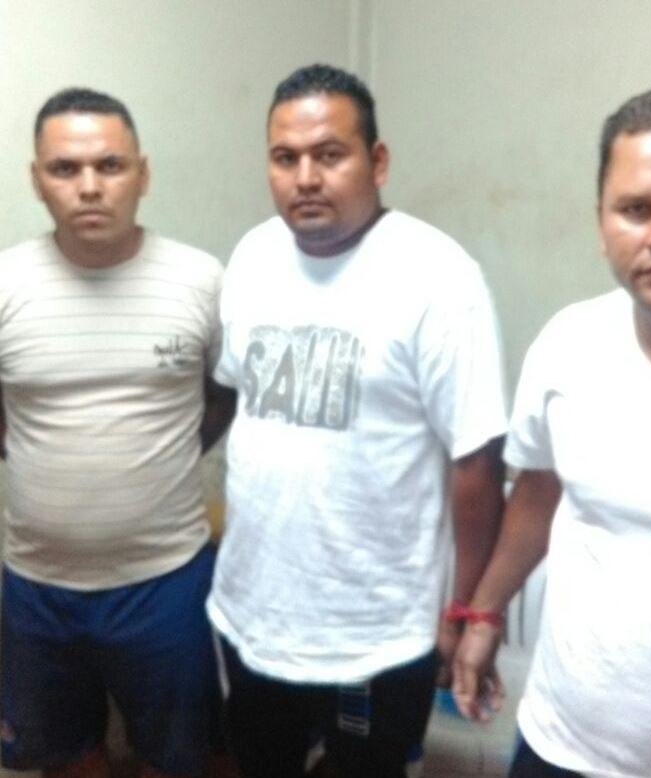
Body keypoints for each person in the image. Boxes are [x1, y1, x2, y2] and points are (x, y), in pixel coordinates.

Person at [453, 80, 651, 778]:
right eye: (636, 209)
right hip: (559, 747)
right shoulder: (569, 344)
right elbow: (539, 493)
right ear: (602, 224)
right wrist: (484, 614)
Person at [207, 63, 507, 778]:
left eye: (329, 154)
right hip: (253, 611)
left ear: (377, 161)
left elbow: (477, 462)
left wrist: (465, 611)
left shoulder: (438, 276)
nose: (306, 177)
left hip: (376, 629)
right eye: (285, 158)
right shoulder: (252, 255)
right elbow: (239, 398)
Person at [0, 88, 236, 778]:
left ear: (143, 173)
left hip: (164, 581)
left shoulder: (200, 280)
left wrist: (160, 459)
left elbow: (222, 397)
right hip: (35, 586)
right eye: (65, 169)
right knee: (65, 757)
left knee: (179, 757)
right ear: (37, 179)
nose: (89, 186)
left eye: (110, 165)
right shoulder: (5, 284)